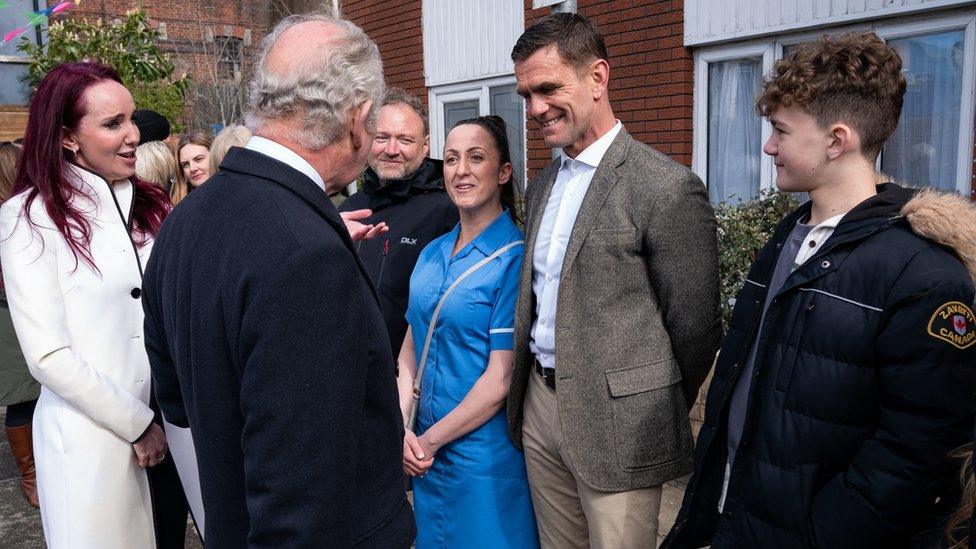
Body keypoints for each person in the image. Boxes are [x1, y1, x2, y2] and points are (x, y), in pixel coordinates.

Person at [662, 33, 976, 548]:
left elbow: (918, 453)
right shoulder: (788, 237)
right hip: (737, 520)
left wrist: (819, 533)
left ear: (837, 139)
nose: (768, 147)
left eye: (781, 131)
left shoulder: (924, 275)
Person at [141, 13, 415, 547]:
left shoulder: (185, 221)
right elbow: (302, 497)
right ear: (359, 120)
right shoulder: (306, 255)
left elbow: (174, 398)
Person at [506, 13, 722, 548]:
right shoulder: (544, 184)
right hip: (538, 403)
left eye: (548, 88)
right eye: (526, 95)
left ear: (598, 78)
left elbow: (695, 330)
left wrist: (638, 398)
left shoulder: (665, 187)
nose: (535, 109)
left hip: (621, 427)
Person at [0, 62, 186, 548]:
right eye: (112, 124)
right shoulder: (27, 218)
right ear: (67, 137)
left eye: (131, 120)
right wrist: (138, 423)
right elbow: (47, 354)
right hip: (94, 439)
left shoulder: (154, 205)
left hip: (176, 429)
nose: (132, 136)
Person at [398, 116, 538, 548]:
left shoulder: (513, 258)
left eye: (476, 158)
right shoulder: (431, 253)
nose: (461, 170)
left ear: (503, 172)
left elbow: (500, 378)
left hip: (481, 460)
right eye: (453, 158)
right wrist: (401, 428)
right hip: (423, 455)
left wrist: (429, 441)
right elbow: (408, 349)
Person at [340, 88, 458, 356]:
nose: (392, 150)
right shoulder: (350, 209)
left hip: (413, 377)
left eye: (405, 140)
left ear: (425, 145)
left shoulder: (448, 212)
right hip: (350, 368)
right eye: (382, 138)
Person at [0, 140, 41, 509]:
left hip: (20, 313)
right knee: (22, 396)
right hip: (7, 319)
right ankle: (31, 477)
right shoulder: (9, 215)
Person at [171, 131, 212, 205]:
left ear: (213, 155)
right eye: (186, 165)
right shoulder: (180, 206)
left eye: (198, 159)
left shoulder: (234, 191)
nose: (192, 169)